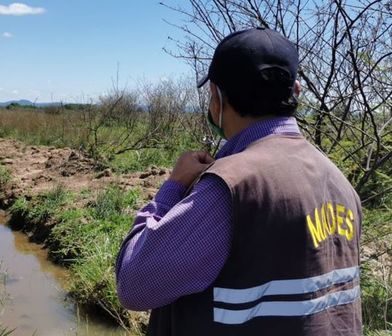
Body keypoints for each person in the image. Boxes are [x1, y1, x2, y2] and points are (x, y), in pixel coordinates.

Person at [115, 27, 362, 336]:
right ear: (296, 91)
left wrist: (173, 187)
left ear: (216, 98)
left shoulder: (231, 186)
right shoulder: (340, 183)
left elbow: (135, 285)